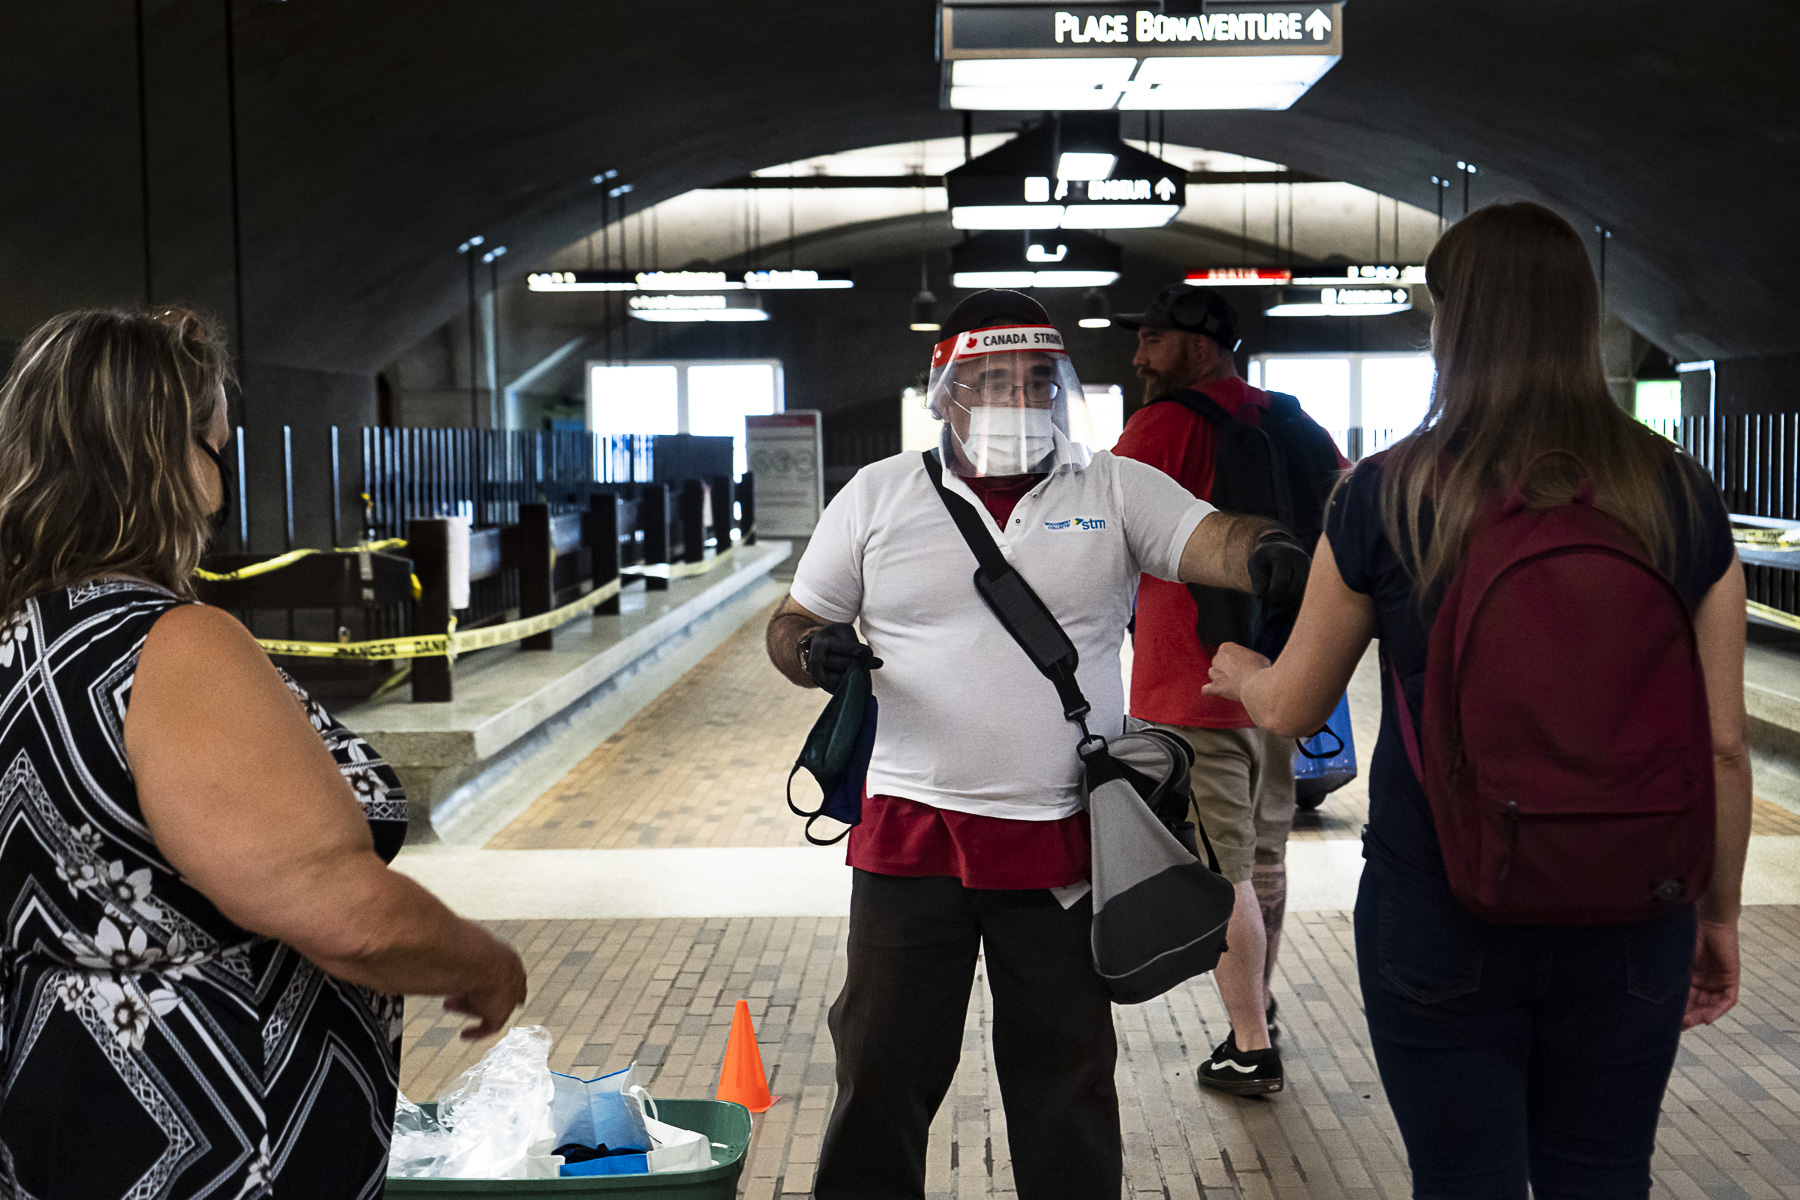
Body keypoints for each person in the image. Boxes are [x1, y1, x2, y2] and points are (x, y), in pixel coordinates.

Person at [1204, 202, 1750, 1198]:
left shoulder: (1389, 493)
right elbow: (1721, 747)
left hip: (1439, 911)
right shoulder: (1677, 491)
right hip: (1635, 912)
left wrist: (1242, 672)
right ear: (1581, 317)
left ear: (1450, 323)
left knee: (1462, 1183)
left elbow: (1294, 706)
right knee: (1605, 1178)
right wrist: (1717, 912)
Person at [763, 290, 1312, 1200]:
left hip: (1062, 835)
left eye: (1035, 379)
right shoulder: (878, 495)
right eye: (992, 379)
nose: (1017, 398)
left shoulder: (1112, 487)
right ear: (949, 392)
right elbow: (792, 621)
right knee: (882, 1067)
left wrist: (1270, 552)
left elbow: (1211, 537)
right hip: (911, 835)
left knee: (1068, 1077)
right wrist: (813, 652)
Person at [0, 308, 528, 1198]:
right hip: (212, 1120)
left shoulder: (22, 635)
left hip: (63, 1100)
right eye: (216, 448)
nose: (221, 481)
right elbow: (344, 913)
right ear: (165, 460)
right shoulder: (172, 648)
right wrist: (484, 962)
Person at [1110, 282, 1347, 1094]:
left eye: (1152, 339)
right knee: (1265, 856)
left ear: (1201, 344)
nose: (1139, 355)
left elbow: (1106, 532)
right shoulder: (1295, 422)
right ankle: (1261, 1005)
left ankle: (1250, 1044)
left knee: (1219, 873)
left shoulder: (1163, 426)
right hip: (1281, 681)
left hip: (1193, 686)